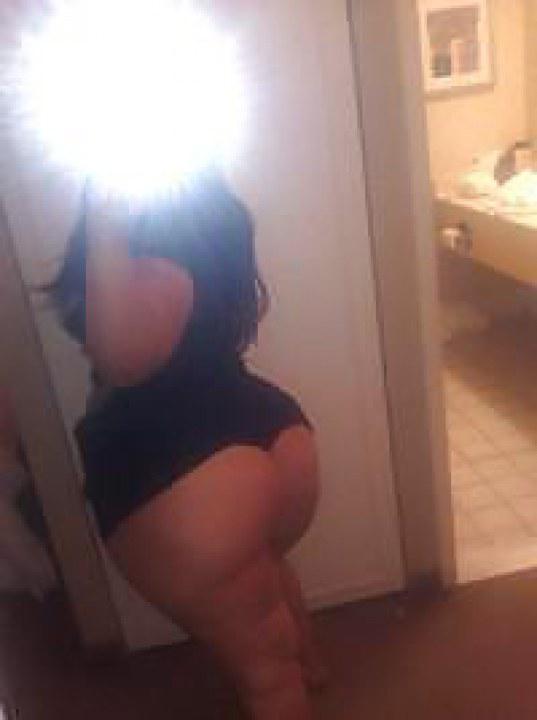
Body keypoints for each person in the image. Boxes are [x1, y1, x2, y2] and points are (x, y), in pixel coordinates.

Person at [47, 172, 324, 719]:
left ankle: (293, 681)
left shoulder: (129, 231)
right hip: (272, 429)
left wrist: (104, 222)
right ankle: (312, 668)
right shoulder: (208, 208)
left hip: (182, 467)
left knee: (266, 674)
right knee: (262, 575)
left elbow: (122, 359)